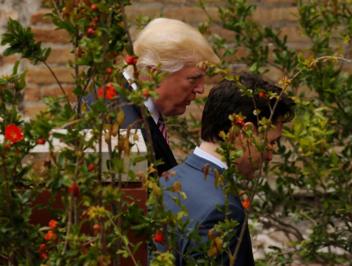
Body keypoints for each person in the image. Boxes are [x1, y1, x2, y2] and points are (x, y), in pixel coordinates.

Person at [159, 73, 295, 265]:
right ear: (244, 133)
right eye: (270, 142)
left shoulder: (166, 181)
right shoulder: (222, 211)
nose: (270, 155)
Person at [88, 18, 220, 175]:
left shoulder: (123, 103)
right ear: (155, 72)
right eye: (193, 79)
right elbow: (130, 197)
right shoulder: (122, 127)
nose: (200, 89)